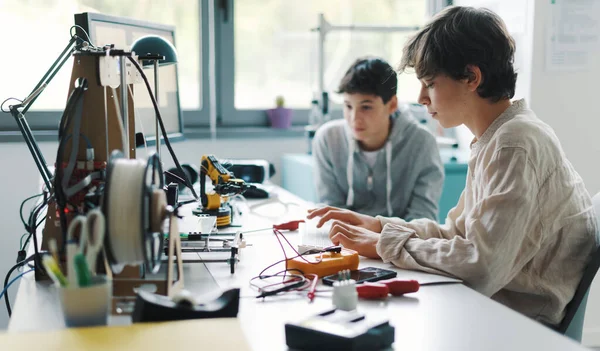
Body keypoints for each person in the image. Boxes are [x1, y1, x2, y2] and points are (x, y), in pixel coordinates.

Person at [307, 6, 598, 327]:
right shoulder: (496, 138)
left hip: (516, 323)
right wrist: (377, 225)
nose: (421, 98)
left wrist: (382, 244)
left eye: (429, 83)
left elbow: (479, 265)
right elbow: (455, 233)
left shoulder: (515, 142)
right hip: (495, 308)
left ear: (472, 77)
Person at [312, 57, 444, 221]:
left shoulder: (422, 143)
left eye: (366, 107)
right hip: (344, 240)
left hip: (402, 243)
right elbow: (331, 209)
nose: (354, 118)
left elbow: (423, 218)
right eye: (348, 106)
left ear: (391, 105)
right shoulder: (328, 140)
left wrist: (380, 239)